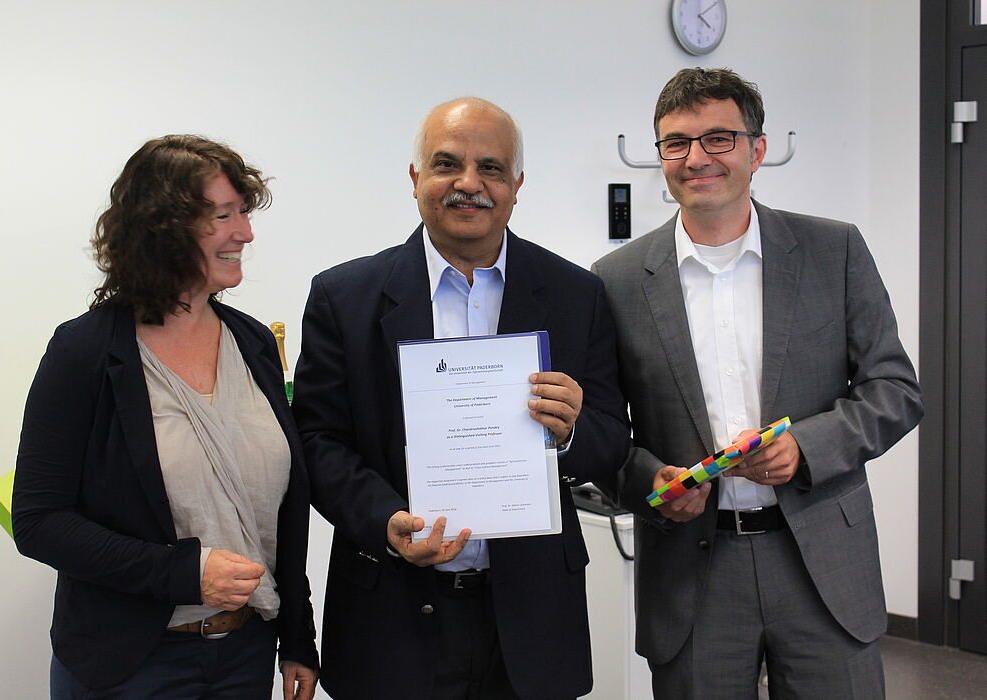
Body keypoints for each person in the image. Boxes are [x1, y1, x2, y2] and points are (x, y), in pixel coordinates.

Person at [592, 68, 924, 698]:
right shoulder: (616, 279)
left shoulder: (835, 251)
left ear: (757, 149)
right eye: (675, 142)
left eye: (718, 138)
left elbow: (894, 390)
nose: (696, 159)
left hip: (822, 559)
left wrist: (808, 447)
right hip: (693, 569)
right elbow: (606, 431)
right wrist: (648, 482)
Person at [291, 97, 630, 700]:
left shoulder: (578, 295)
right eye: (447, 164)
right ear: (416, 178)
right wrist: (386, 521)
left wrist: (573, 430)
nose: (469, 184)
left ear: (517, 184)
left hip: (530, 625)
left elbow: (611, 442)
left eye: (491, 169)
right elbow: (317, 444)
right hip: (389, 618)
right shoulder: (344, 297)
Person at [12, 135, 319, 699]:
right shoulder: (85, 352)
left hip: (245, 653)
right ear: (163, 229)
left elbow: (272, 513)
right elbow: (38, 521)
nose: (245, 233)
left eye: (243, 214)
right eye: (223, 216)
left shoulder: (250, 341)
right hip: (130, 665)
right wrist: (182, 574)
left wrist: (298, 637)